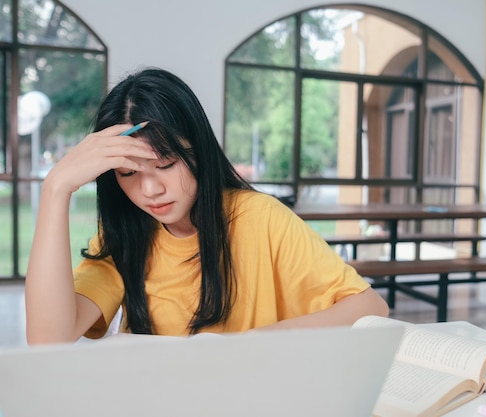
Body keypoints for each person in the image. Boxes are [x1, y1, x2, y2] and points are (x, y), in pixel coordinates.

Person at [25, 67, 389, 344]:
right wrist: (57, 188)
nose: (150, 189)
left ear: (199, 150)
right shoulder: (126, 232)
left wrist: (247, 345)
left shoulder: (260, 218)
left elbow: (369, 308)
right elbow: (47, 339)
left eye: (166, 164)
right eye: (127, 173)